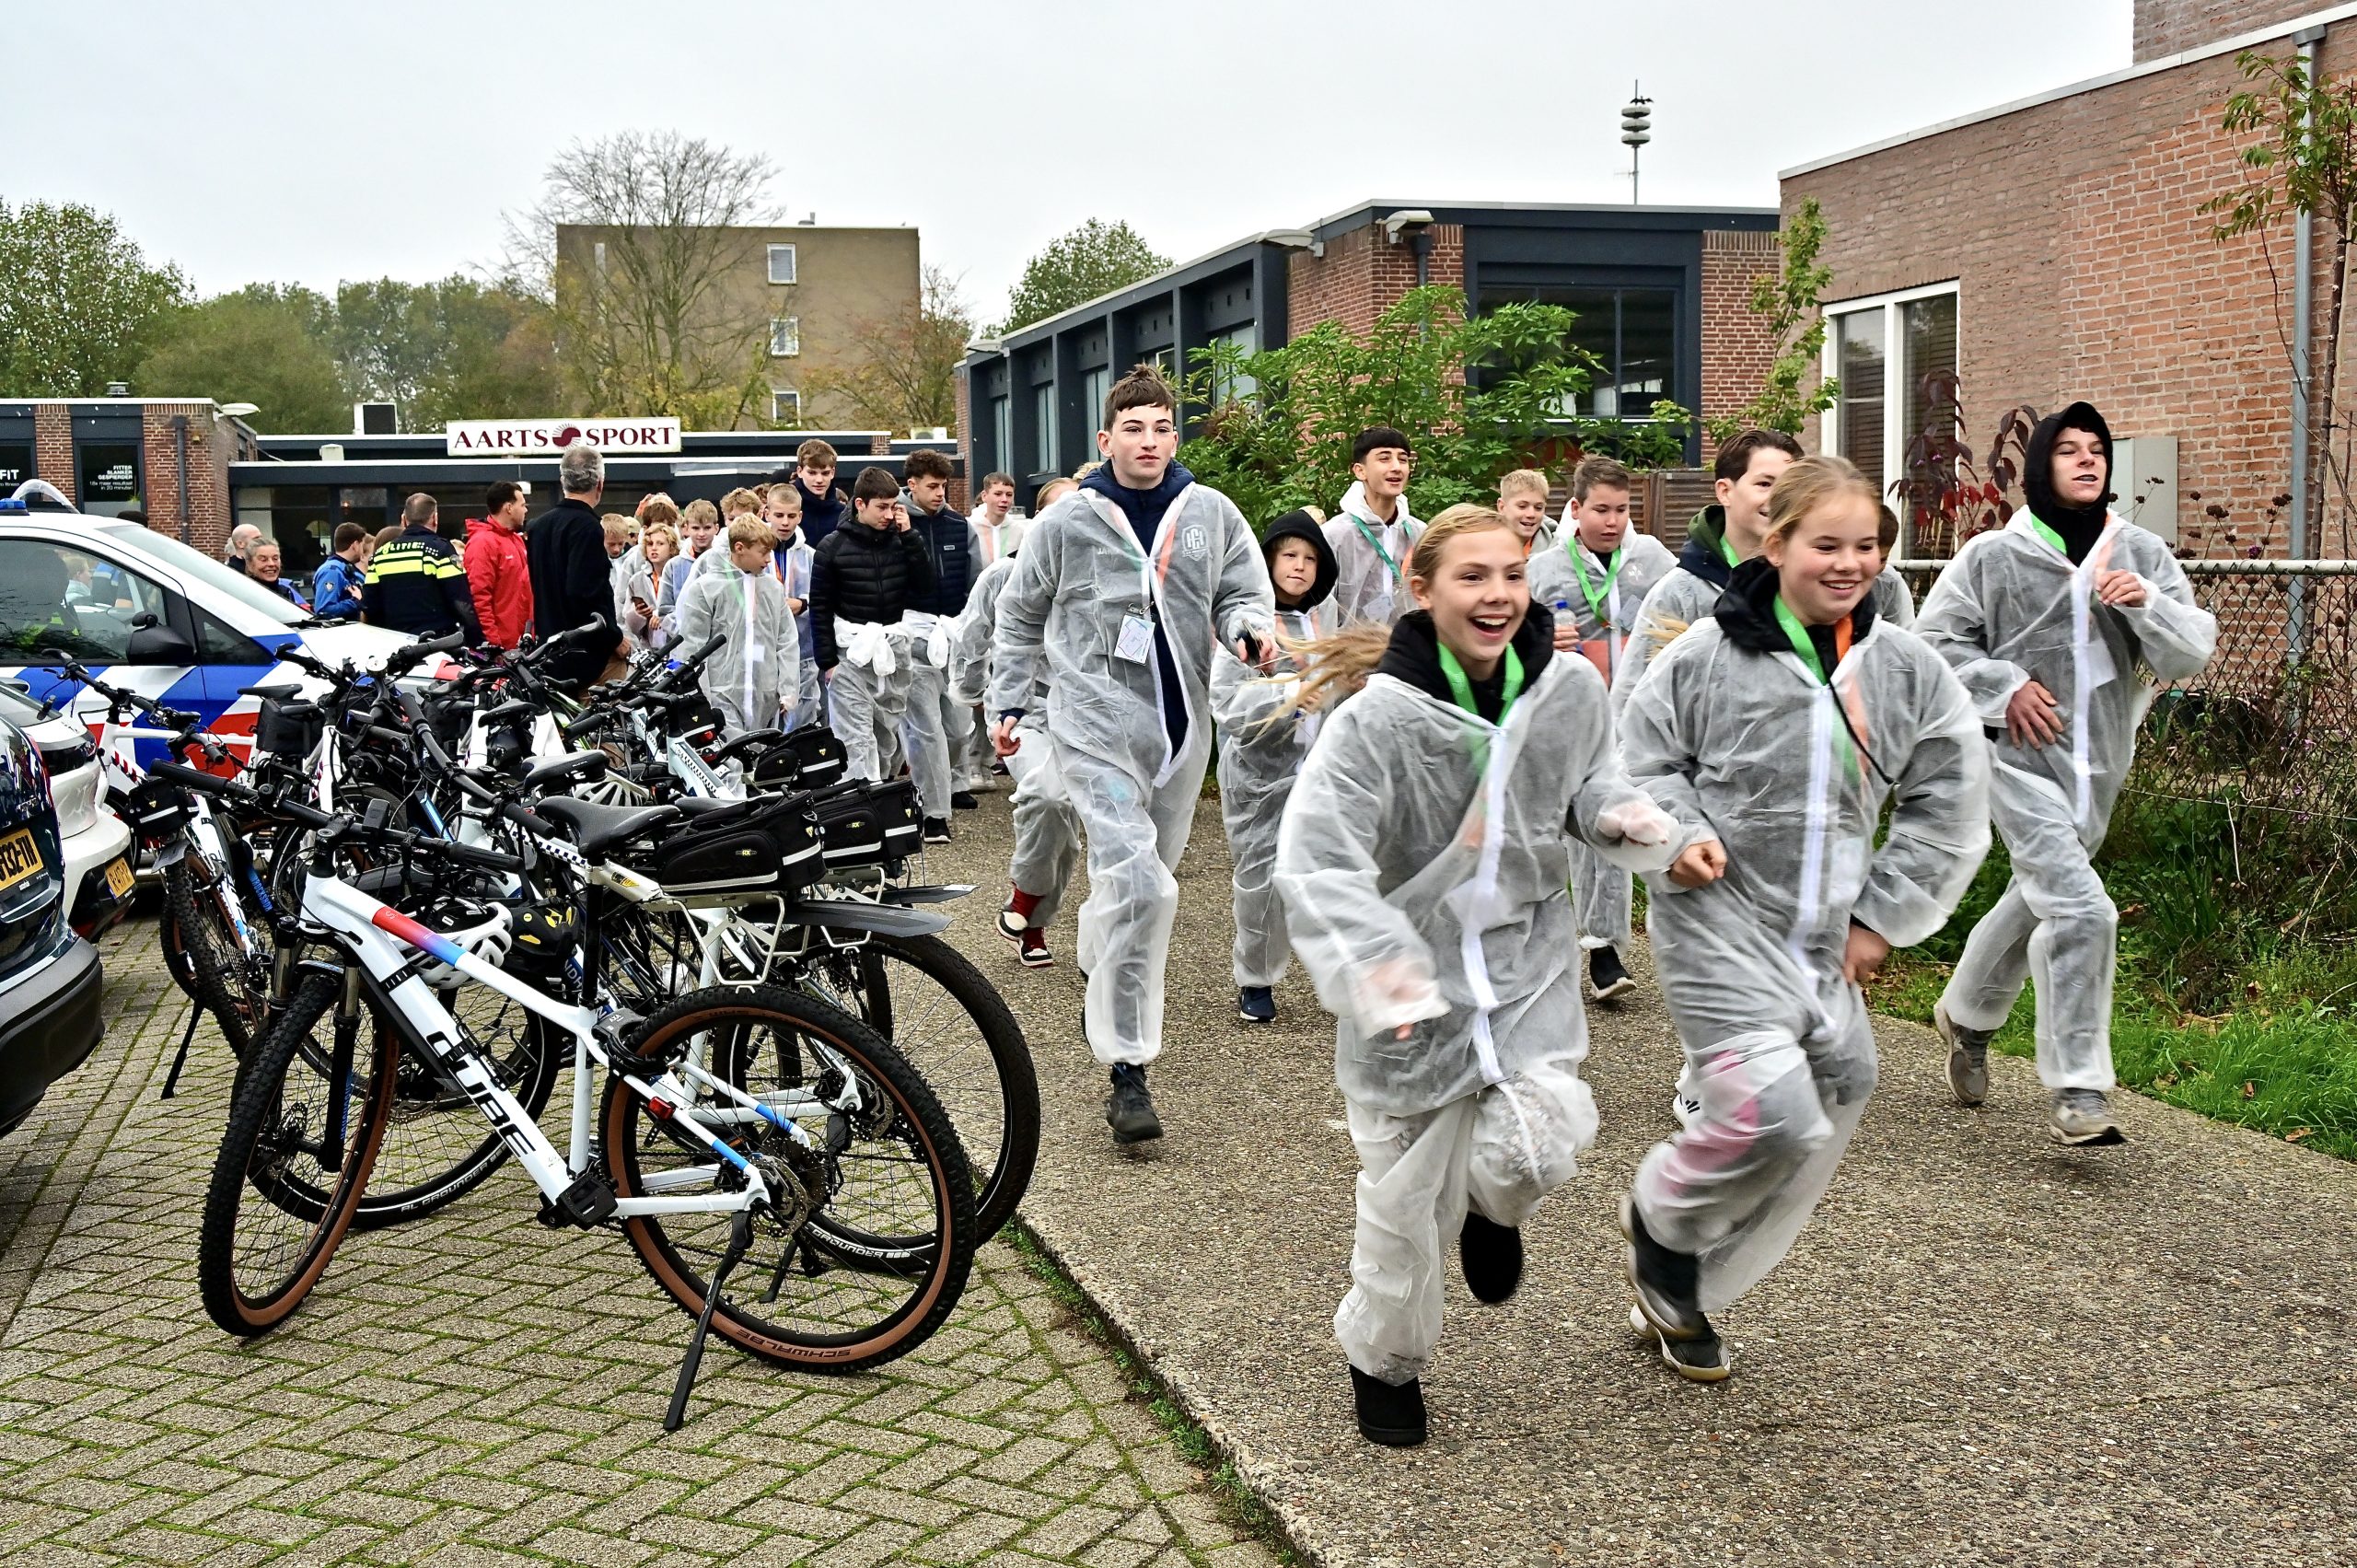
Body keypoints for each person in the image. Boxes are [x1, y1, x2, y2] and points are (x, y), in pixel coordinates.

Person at [1273, 504, 1686, 1447]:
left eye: (1511, 574)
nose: (1498, 594)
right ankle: (1383, 1360)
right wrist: (1375, 967)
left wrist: (1626, 820)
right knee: (1402, 1202)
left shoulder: (1567, 690)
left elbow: (1590, 781)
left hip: (1523, 965)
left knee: (1541, 1141)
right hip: (1411, 984)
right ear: (1422, 590)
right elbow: (1318, 857)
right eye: (1472, 576)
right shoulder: (1377, 719)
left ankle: (1492, 1208)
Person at [1617, 454, 1990, 1383]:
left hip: (1821, 931)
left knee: (1843, 1081)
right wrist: (1679, 835)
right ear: (1776, 545)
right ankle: (1665, 1220)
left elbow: (1948, 796)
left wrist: (1883, 914)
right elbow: (1639, 759)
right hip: (1713, 923)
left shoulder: (1903, 668)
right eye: (1826, 544)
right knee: (1773, 1112)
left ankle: (1684, 1275)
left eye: (1866, 545)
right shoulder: (1704, 654)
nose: (1849, 562)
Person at [1917, 402, 2217, 1145]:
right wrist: (2005, 686)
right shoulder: (1992, 556)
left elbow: (2189, 653)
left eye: (2098, 450)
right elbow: (1935, 645)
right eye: (2069, 449)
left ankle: (1966, 1013)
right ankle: (2079, 1086)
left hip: (2100, 760)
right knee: (2084, 909)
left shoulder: (2138, 552)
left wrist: (2147, 605)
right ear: (2042, 465)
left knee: (2040, 892)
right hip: (2013, 758)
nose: (2088, 460)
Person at [992, 364, 1275, 1144]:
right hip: (1092, 728)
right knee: (1142, 885)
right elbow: (1019, 615)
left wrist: (1247, 630)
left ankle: (1099, 947)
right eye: (1133, 428)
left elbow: (1241, 594)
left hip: (1181, 736)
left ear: (1174, 438)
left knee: (1140, 882)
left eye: (1161, 428)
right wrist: (1008, 702)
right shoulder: (1065, 523)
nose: (1148, 441)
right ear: (1106, 439)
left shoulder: (1211, 513)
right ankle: (1127, 1069)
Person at [1619, 432, 1916, 712]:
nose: (1779, 497)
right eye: (1764, 484)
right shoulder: (1679, 593)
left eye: (1791, 486)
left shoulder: (1867, 581)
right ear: (1725, 491)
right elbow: (1636, 704)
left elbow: (1903, 682)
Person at [1527, 456, 1679, 1002]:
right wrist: (1541, 639)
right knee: (1598, 822)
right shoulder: (1545, 569)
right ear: (1576, 509)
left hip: (1643, 713)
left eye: (1621, 510)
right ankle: (1602, 948)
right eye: (1601, 510)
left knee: (1645, 817)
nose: (1613, 521)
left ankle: (1664, 936)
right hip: (1576, 716)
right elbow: (1511, 636)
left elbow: (1687, 617)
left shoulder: (1654, 560)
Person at [1213, 507, 1337, 1026]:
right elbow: (1227, 703)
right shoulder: (1247, 625)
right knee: (1262, 877)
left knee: (1335, 871)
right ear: (1267, 561)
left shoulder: (1326, 618)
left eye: (1310, 558)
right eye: (1289, 555)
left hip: (1322, 768)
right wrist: (1290, 694)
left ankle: (1344, 973)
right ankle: (1257, 977)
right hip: (1260, 775)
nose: (1299, 566)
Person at [954, 479, 1081, 968]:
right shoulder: (1004, 575)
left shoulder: (1098, 578)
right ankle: (1028, 900)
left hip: (1088, 713)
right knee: (1048, 796)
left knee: (1066, 817)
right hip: (1025, 710)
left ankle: (1034, 920)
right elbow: (973, 634)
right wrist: (971, 691)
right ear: (1039, 522)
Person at [812, 466, 935, 783]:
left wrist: (910, 537)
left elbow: (927, 586)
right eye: (881, 507)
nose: (888, 515)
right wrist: (828, 662)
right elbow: (820, 607)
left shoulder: (901, 541)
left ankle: (881, 792)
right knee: (855, 740)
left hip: (892, 651)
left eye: (893, 506)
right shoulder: (832, 547)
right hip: (850, 652)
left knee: (886, 741)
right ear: (860, 504)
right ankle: (860, 801)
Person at [900, 448, 981, 842]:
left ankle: (942, 785)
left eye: (944, 486)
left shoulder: (958, 525)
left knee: (958, 729)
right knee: (926, 730)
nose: (940, 493)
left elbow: (977, 581)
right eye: (932, 486)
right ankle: (933, 812)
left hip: (953, 634)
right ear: (912, 485)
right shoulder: (893, 525)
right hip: (911, 635)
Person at [675, 513, 793, 738]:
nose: (769, 560)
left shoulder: (772, 589)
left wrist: (787, 690)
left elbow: (786, 640)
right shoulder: (706, 589)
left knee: (762, 751)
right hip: (721, 692)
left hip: (765, 693)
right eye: (763, 552)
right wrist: (698, 696)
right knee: (730, 751)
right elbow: (692, 645)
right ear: (740, 548)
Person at [526, 442, 624, 686]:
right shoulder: (588, 527)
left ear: (563, 481)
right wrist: (614, 637)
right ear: (599, 484)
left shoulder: (538, 527)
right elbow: (584, 593)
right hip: (587, 654)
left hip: (548, 650)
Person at [1323, 427, 1422, 626]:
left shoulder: (1419, 533)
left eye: (1403, 459)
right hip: (1351, 644)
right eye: (1384, 458)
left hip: (1408, 643)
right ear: (1360, 471)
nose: (1397, 467)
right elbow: (1321, 609)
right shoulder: (1335, 535)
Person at [363, 494, 478, 641]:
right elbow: (461, 603)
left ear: (403, 519)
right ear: (435, 518)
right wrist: (477, 640)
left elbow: (370, 606)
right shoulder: (440, 550)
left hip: (395, 642)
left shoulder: (380, 555)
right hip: (437, 642)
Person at [762, 484, 822, 730]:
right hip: (763, 651)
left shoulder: (811, 556)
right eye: (779, 515)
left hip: (802, 651)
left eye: (791, 516)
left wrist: (804, 603)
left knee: (799, 721)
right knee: (764, 720)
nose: (785, 522)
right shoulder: (756, 552)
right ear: (766, 513)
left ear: (800, 516)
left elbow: (825, 595)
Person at [464, 480, 534, 650]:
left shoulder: (516, 540)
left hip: (522, 642)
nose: (526, 510)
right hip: (502, 646)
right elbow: (479, 599)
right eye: (522, 505)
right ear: (509, 508)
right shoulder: (482, 543)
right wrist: (493, 646)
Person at [780, 438, 850, 549]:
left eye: (825, 473)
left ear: (832, 473)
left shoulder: (843, 514)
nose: (819, 480)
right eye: (812, 473)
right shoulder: (782, 509)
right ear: (799, 471)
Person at [621, 520, 679, 653]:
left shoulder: (679, 576)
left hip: (675, 647)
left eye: (660, 544)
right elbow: (628, 624)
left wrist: (664, 617)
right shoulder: (637, 580)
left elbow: (686, 613)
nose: (654, 548)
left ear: (672, 548)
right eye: (650, 544)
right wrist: (638, 614)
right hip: (648, 648)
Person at [659, 500, 722, 618]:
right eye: (696, 528)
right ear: (686, 528)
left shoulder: (725, 563)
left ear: (716, 528)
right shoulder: (673, 566)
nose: (701, 533)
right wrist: (683, 627)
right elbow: (664, 609)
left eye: (707, 528)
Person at [308, 523, 371, 621]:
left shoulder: (344, 568)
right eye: (361, 545)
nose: (362, 551)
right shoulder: (331, 571)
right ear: (355, 545)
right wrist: (355, 603)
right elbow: (324, 610)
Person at [1496, 469, 1558, 555]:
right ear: (1502, 507)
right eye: (1522, 506)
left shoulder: (1559, 547)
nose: (1531, 514)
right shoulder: (1482, 545)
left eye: (1538, 508)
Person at [971, 471, 1026, 565]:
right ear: (984, 496)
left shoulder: (1020, 531)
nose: (1004, 499)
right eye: (998, 494)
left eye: (1009, 495)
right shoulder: (970, 528)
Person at [245, 539, 308, 610]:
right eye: (263, 559)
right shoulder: (243, 595)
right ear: (249, 564)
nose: (271, 564)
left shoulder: (286, 591)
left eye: (275, 558)